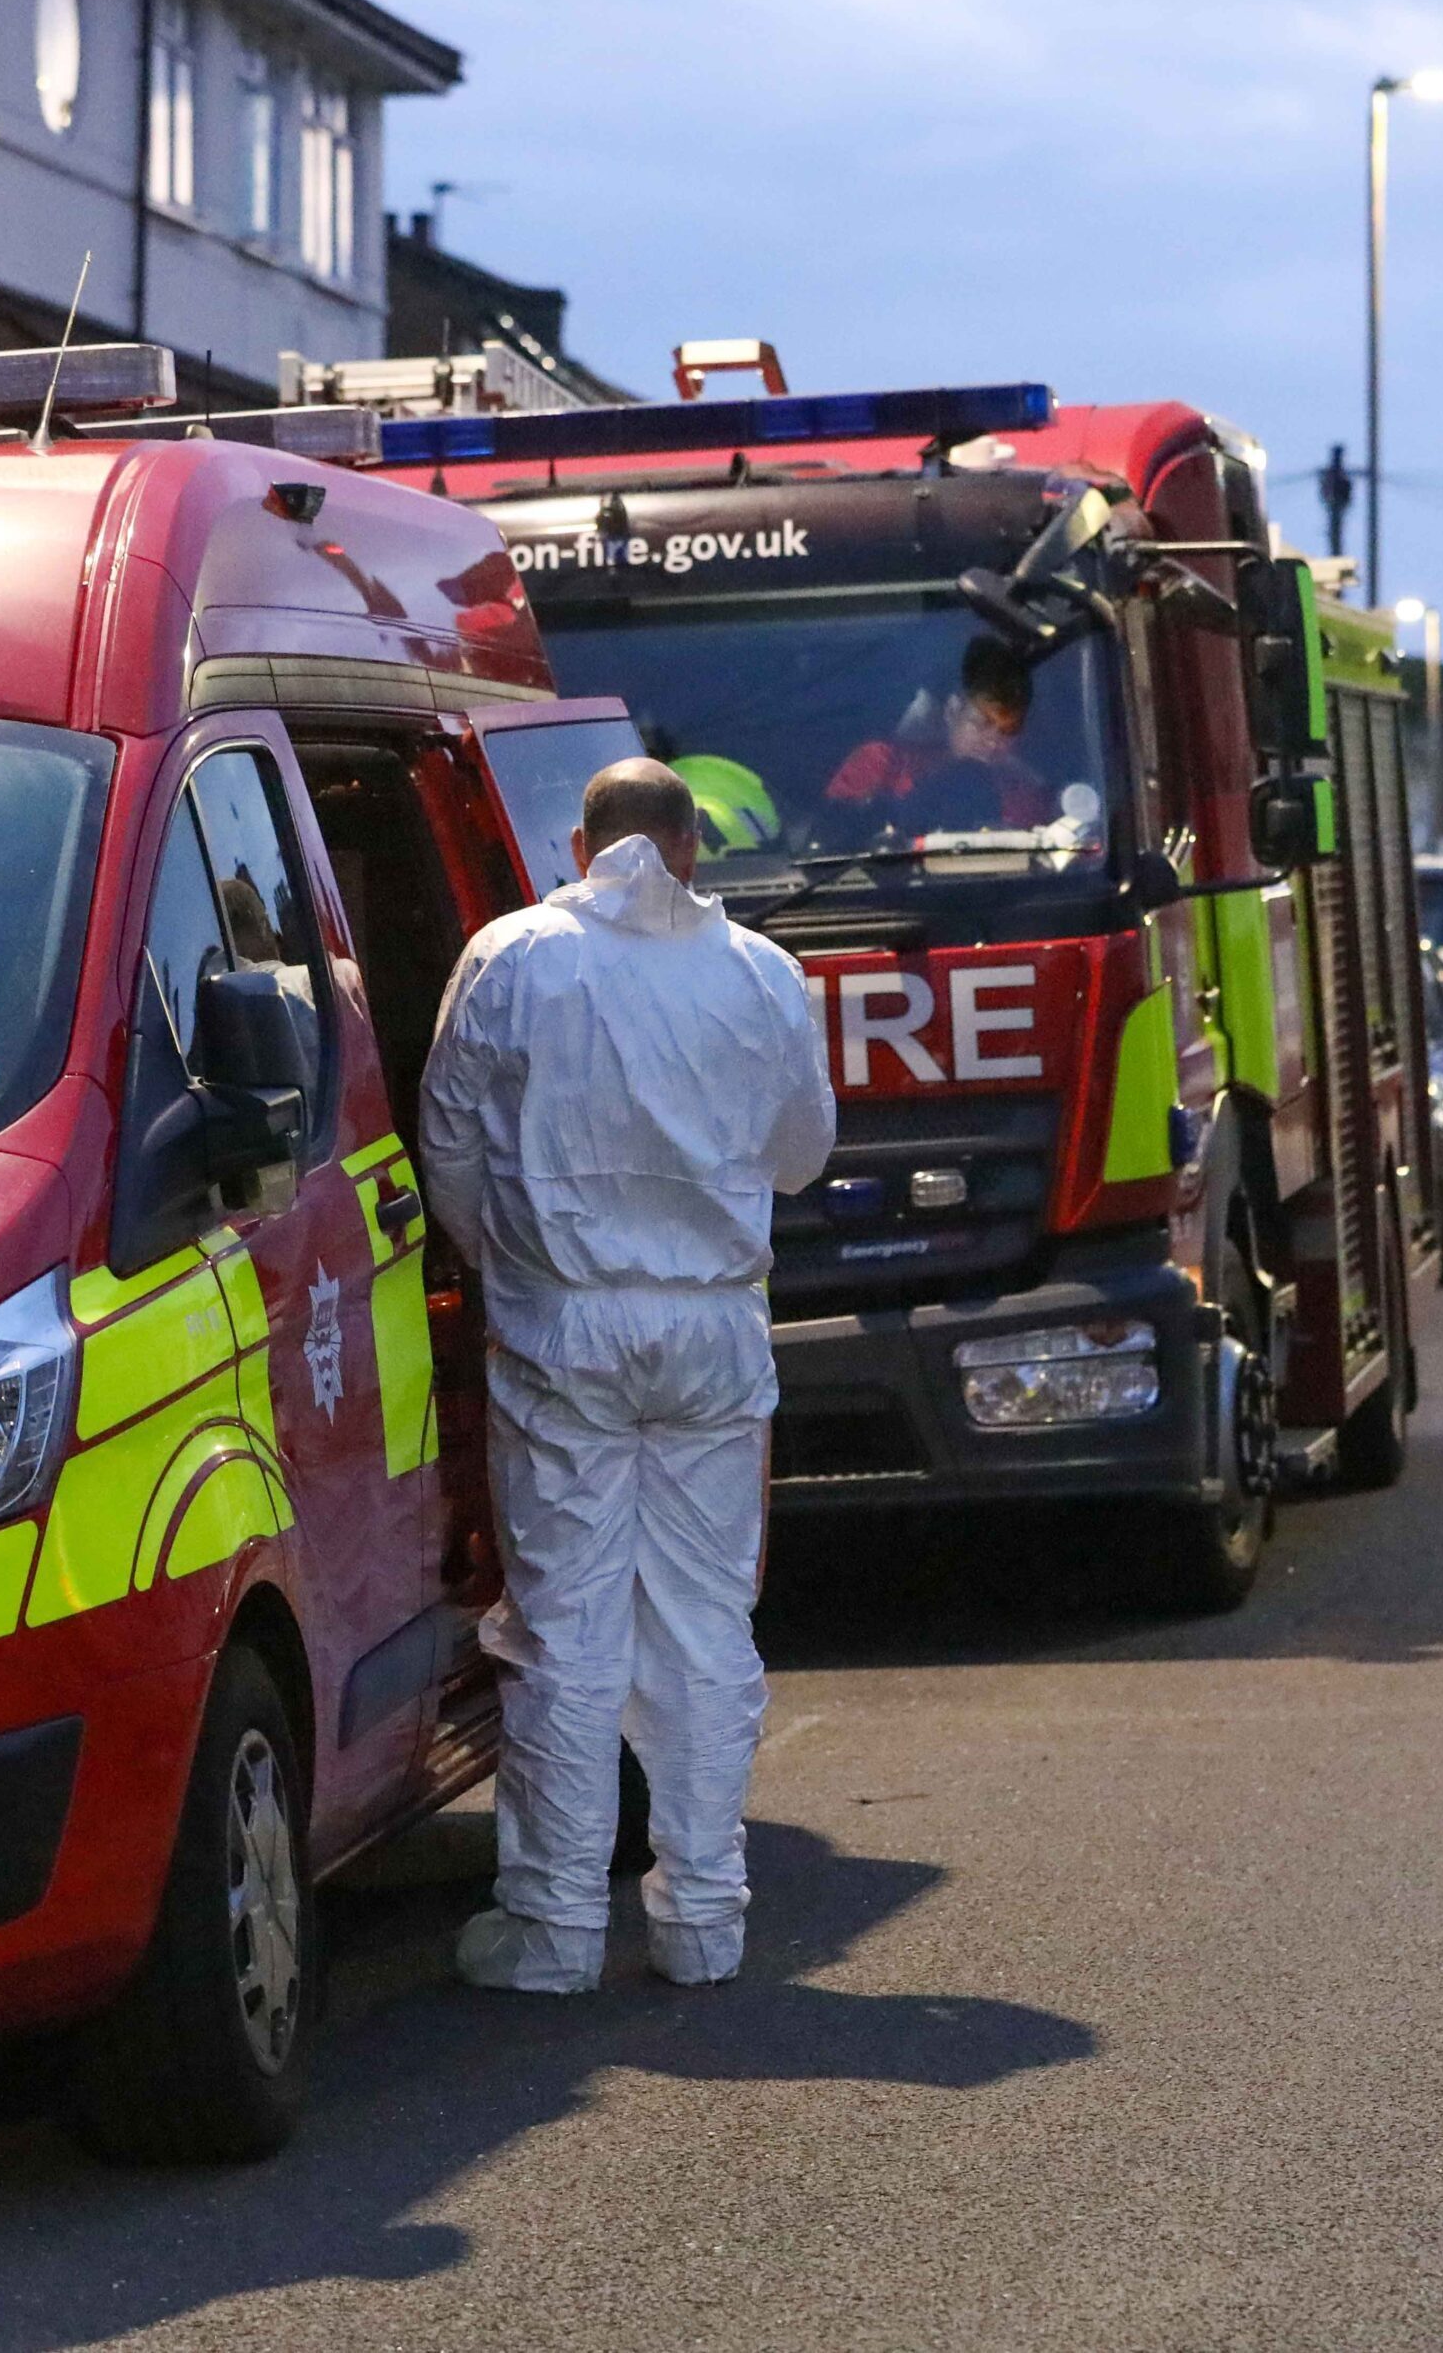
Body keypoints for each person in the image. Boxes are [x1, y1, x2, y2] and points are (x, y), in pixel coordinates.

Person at [419, 758, 835, 1993]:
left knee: (564, 1628)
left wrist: (504, 1261)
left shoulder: (512, 957)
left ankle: (551, 1932)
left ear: (576, 841)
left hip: (560, 1329)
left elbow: (446, 1139)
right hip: (713, 1331)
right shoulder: (765, 974)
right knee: (706, 1626)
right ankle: (704, 1923)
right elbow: (803, 1156)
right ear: (694, 847)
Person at [822, 633, 1053, 835]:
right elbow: (834, 839)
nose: (992, 742)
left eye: (1006, 732)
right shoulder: (881, 765)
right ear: (953, 711)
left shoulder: (1024, 796)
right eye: (981, 723)